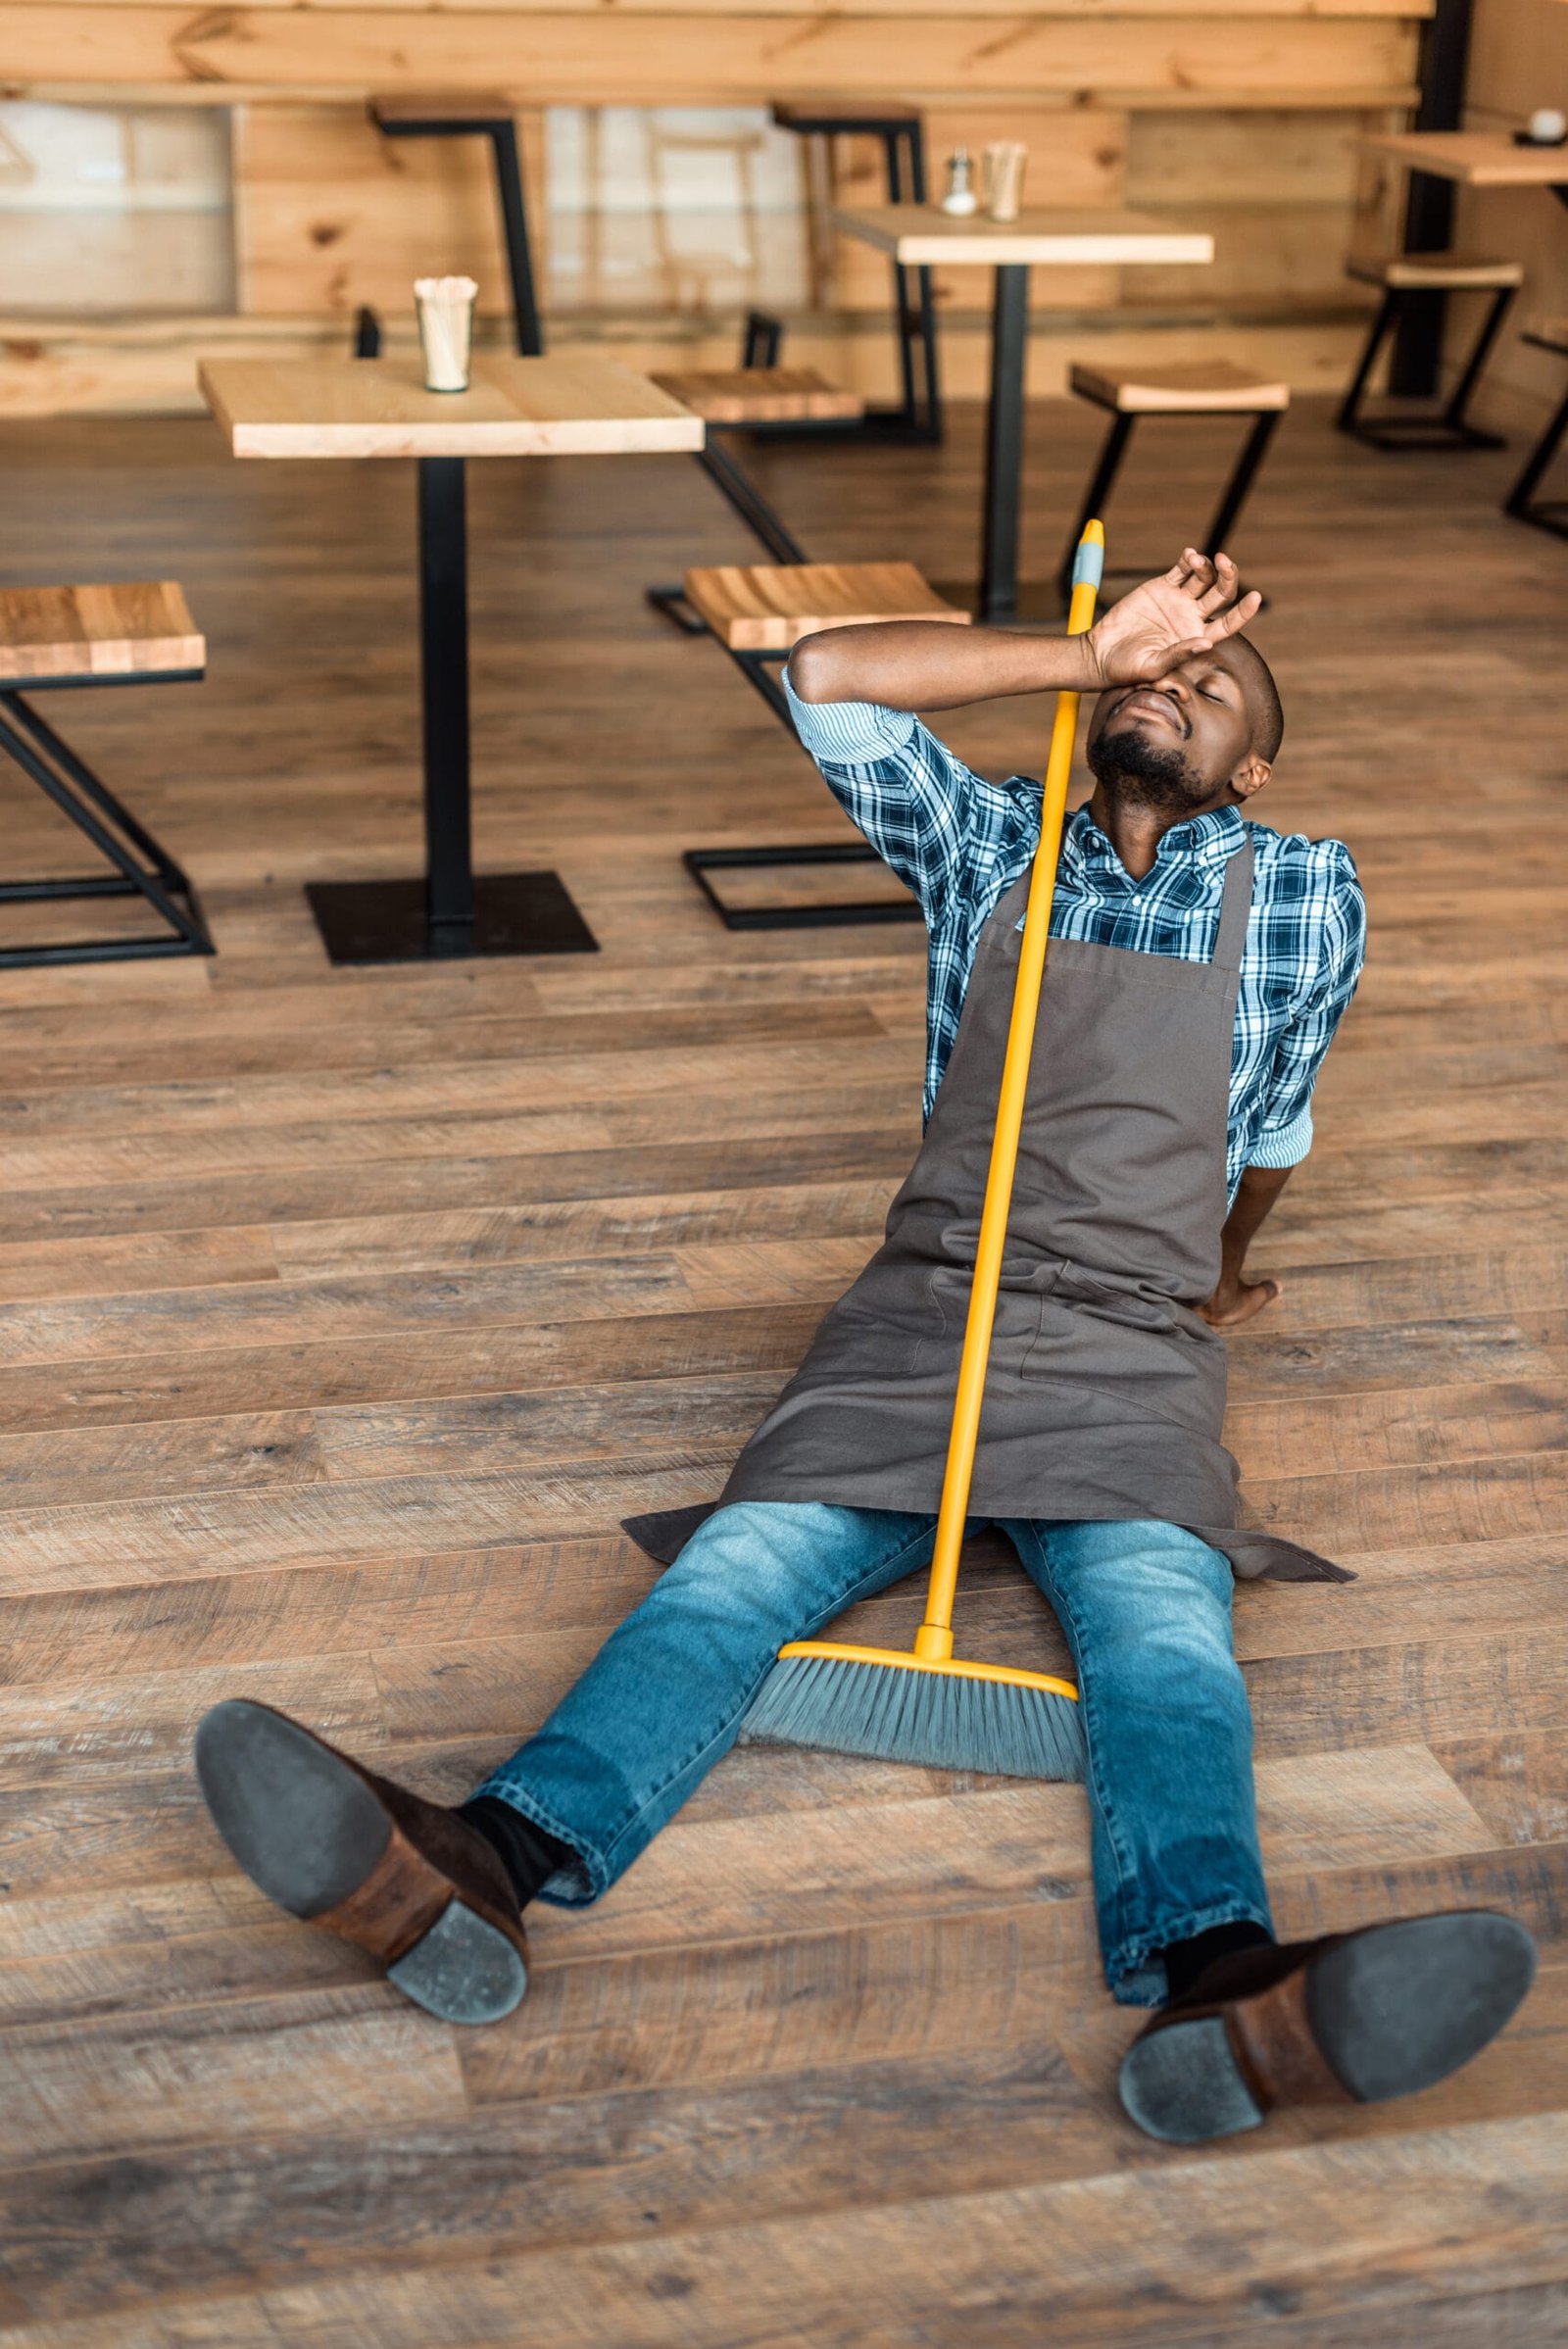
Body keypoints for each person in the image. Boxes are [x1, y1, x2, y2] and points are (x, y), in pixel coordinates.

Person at [195, 551, 1535, 2145]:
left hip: (1130, 1345)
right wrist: (1079, 646)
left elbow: (1279, 1123)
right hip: (923, 1313)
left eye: (1213, 686)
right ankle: (485, 1860)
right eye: (1147, 676)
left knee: (1168, 1634)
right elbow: (825, 675)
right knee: (734, 1572)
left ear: (1254, 767)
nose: (1168, 687)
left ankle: (1223, 1976)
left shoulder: (1310, 888)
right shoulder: (988, 842)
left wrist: (1223, 1274)